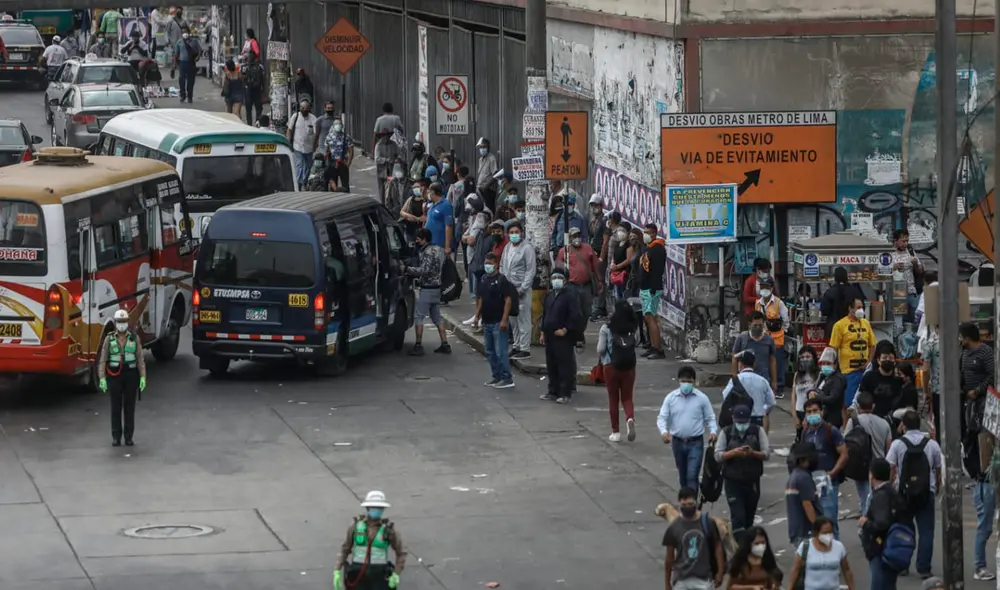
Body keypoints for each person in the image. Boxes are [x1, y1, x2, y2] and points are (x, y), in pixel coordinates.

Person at [886, 410, 941, 578]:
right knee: (926, 531)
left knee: (904, 530)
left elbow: (891, 468)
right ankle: (924, 568)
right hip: (926, 492)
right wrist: (937, 486)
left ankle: (903, 565)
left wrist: (891, 487)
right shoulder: (931, 444)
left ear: (903, 425)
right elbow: (938, 468)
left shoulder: (897, 444)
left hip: (903, 493)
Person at [657, 366, 719, 491]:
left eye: (689, 381)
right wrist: (664, 432)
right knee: (683, 476)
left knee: (692, 475)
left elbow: (710, 417)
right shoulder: (671, 398)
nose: (686, 384)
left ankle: (692, 501)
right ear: (679, 381)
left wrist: (713, 431)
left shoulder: (701, 398)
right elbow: (662, 417)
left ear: (694, 381)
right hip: (677, 442)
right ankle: (686, 499)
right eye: (683, 381)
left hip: (695, 443)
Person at [715, 405, 770, 542]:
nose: (742, 425)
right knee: (738, 516)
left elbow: (766, 454)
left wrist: (753, 453)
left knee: (749, 518)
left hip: (752, 481)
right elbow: (718, 455)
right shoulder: (726, 432)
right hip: (732, 482)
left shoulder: (758, 431)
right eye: (739, 422)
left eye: (744, 422)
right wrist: (733, 453)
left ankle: (747, 544)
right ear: (733, 419)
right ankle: (739, 546)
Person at [333, 491, 407, 590]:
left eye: (379, 508)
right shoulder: (355, 526)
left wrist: (396, 573)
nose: (377, 510)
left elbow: (402, 552)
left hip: (379, 576)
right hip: (358, 575)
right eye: (374, 507)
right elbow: (345, 549)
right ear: (368, 508)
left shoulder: (389, 530)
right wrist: (337, 570)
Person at [96, 309, 147, 447]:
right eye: (119, 322)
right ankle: (116, 437)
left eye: (124, 321)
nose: (122, 324)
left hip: (131, 375)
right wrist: (102, 377)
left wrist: (143, 377)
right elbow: (103, 359)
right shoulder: (109, 339)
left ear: (127, 322)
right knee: (115, 407)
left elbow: (140, 359)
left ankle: (129, 437)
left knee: (129, 407)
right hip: (114, 375)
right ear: (116, 323)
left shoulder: (134, 338)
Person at [801, 398, 849, 539]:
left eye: (815, 410)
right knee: (813, 522)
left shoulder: (831, 431)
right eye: (809, 412)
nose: (812, 414)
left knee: (829, 520)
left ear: (821, 412)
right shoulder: (806, 432)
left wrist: (832, 474)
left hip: (828, 484)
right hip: (811, 484)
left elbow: (844, 454)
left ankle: (835, 549)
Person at [662, 487, 725, 590]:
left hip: (704, 579)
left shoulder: (708, 523)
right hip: (681, 579)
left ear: (696, 502)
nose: (687, 507)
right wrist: (667, 583)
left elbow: (718, 547)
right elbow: (669, 558)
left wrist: (720, 572)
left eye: (690, 504)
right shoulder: (673, 527)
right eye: (684, 505)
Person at [842, 392, 892, 514]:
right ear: (873, 406)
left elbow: (845, 442)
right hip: (879, 466)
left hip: (861, 467)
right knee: (879, 498)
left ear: (858, 406)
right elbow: (889, 448)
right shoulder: (884, 423)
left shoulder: (853, 422)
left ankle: (866, 520)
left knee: (864, 499)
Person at [859, 458, 905, 590]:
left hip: (880, 549)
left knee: (879, 584)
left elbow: (881, 524)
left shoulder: (880, 496)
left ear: (872, 475)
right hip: (891, 548)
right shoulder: (891, 492)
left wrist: (865, 523)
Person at [403, 229, 451, 356]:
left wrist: (407, 269)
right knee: (437, 317)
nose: (416, 241)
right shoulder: (439, 249)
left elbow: (424, 270)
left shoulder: (427, 252)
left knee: (419, 316)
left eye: (418, 239)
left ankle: (418, 345)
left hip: (427, 288)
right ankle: (445, 344)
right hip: (437, 288)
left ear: (424, 238)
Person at [472, 252, 516, 389]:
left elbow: (508, 300)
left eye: (490, 264)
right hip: (487, 321)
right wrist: (477, 316)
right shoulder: (484, 279)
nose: (487, 266)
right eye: (486, 263)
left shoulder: (502, 280)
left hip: (498, 321)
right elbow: (481, 299)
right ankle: (496, 376)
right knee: (490, 351)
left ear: (496, 265)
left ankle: (507, 378)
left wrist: (504, 320)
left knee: (501, 351)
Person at [539, 268, 582, 404]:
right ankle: (553, 391)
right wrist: (542, 332)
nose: (556, 280)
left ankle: (565, 393)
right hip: (550, 335)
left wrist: (565, 329)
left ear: (564, 281)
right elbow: (545, 315)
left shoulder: (570, 296)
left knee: (564, 365)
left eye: (559, 278)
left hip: (563, 336)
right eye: (554, 278)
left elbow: (575, 316)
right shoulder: (549, 296)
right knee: (551, 365)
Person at [597, 300, 638, 442]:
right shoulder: (633, 328)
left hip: (610, 366)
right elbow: (636, 342)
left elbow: (601, 349)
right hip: (629, 366)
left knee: (613, 398)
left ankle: (615, 432)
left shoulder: (606, 328)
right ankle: (630, 418)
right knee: (627, 397)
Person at [828, 298, 875, 409]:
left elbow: (872, 345)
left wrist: (868, 362)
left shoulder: (866, 323)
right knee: (848, 403)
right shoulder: (839, 325)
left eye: (862, 307)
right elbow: (833, 348)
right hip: (848, 372)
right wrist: (834, 367)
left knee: (865, 403)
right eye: (858, 307)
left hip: (865, 371)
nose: (861, 310)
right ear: (850, 308)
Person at [787, 516, 855, 590]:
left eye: (830, 532)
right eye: (824, 533)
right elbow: (796, 569)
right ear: (816, 533)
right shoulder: (805, 546)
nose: (828, 535)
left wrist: (851, 587)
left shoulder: (839, 547)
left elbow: (846, 569)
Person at [500, 222, 536, 360]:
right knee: (513, 320)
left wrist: (523, 288)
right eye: (511, 232)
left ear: (521, 233)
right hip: (509, 289)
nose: (514, 235)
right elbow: (502, 266)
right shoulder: (507, 247)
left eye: (516, 232)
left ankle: (525, 348)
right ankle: (516, 346)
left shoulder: (527, 248)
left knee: (523, 319)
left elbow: (530, 270)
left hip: (521, 289)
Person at [555, 226, 601, 324]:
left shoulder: (588, 248)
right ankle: (574, 329)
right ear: (570, 238)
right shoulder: (564, 251)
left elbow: (595, 265)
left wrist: (600, 280)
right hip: (571, 286)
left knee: (586, 310)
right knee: (573, 310)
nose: (577, 238)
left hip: (586, 286)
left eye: (578, 235)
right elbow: (558, 267)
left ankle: (581, 328)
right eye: (574, 236)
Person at [723, 350, 775, 431]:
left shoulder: (735, 380)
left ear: (740, 365)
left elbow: (725, 396)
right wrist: (762, 410)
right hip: (757, 419)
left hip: (740, 418)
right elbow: (771, 402)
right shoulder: (762, 381)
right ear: (754, 364)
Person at [754, 277, 789, 397]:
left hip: (776, 339)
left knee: (778, 364)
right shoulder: (758, 303)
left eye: (766, 287)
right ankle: (766, 387)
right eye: (762, 287)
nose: (764, 290)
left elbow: (786, 320)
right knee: (763, 363)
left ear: (772, 288)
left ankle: (779, 387)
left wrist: (782, 331)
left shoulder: (779, 303)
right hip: (763, 338)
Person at [637, 223, 666, 359]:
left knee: (650, 317)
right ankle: (652, 344)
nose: (645, 235)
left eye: (648, 232)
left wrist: (653, 288)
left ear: (654, 234)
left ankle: (657, 349)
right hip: (645, 288)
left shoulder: (658, 249)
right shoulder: (648, 248)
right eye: (645, 232)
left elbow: (657, 271)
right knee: (647, 318)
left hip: (651, 289)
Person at [785, 441, 820, 548]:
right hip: (806, 533)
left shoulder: (794, 476)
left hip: (797, 532)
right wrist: (818, 528)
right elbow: (807, 505)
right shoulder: (803, 478)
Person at [858, 341, 902, 421]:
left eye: (890, 358)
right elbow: (861, 397)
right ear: (878, 360)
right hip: (872, 419)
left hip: (894, 419)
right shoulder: (869, 377)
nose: (887, 360)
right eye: (884, 358)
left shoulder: (899, 378)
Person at [732, 311, 777, 389]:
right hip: (745, 381)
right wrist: (735, 379)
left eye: (760, 325)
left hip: (763, 380)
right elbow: (734, 358)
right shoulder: (742, 338)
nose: (758, 327)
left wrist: (774, 381)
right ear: (750, 325)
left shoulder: (769, 340)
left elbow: (772, 361)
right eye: (755, 325)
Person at [820, 266, 864, 337]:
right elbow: (861, 308)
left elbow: (824, 311)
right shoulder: (855, 291)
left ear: (835, 278)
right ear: (846, 277)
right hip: (852, 328)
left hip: (834, 328)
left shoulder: (830, 292)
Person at [891, 229, 923, 323]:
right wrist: (894, 267)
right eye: (903, 241)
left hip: (911, 291)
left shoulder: (910, 252)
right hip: (897, 292)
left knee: (915, 317)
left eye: (907, 241)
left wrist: (916, 264)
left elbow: (920, 271)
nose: (905, 244)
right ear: (896, 241)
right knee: (899, 319)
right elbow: (882, 273)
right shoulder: (890, 254)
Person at [287, 100, 319, 188]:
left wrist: (315, 145)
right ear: (300, 108)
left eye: (306, 108)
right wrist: (288, 142)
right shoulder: (295, 116)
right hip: (297, 146)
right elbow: (289, 130)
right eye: (302, 108)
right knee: (299, 165)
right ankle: (299, 183)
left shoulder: (313, 118)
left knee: (308, 166)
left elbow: (316, 133)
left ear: (309, 109)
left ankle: (305, 181)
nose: (304, 110)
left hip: (309, 147)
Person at [811, 348, 846, 429]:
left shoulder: (838, 379)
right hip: (822, 417)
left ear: (835, 364)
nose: (825, 366)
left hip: (832, 419)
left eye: (828, 363)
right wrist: (811, 393)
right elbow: (816, 388)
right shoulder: (823, 376)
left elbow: (832, 398)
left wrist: (818, 397)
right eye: (823, 363)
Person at [792, 346, 820, 441]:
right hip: (799, 411)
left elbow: (815, 397)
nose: (805, 359)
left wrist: (807, 416)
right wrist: (794, 416)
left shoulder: (818, 375)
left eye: (808, 357)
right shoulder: (797, 375)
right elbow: (793, 396)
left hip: (812, 412)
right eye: (802, 357)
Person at [171, 28, 201, 104]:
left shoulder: (194, 41)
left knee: (191, 81)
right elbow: (176, 54)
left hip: (191, 63)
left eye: (186, 32)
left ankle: (190, 96)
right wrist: (174, 65)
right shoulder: (179, 42)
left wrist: (197, 57)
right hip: (182, 63)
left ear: (189, 33)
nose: (185, 34)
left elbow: (199, 50)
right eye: (183, 32)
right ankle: (182, 95)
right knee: (182, 80)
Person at [324, 117, 354, 191]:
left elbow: (351, 151)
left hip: (343, 163)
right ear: (333, 126)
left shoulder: (346, 137)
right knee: (333, 186)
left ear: (342, 125)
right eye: (336, 124)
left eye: (339, 124)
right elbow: (326, 151)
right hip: (332, 164)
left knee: (345, 185)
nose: (338, 125)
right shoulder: (329, 137)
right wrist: (326, 165)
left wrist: (348, 163)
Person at [423, 183, 453, 253]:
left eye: (429, 192)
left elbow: (448, 226)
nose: (428, 194)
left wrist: (447, 247)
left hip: (439, 244)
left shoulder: (446, 205)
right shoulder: (433, 205)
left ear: (433, 192)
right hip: (429, 244)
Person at [475, 137, 499, 211]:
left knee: (489, 210)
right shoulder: (480, 159)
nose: (482, 149)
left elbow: (495, 175)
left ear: (488, 148)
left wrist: (486, 186)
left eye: (484, 147)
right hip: (480, 189)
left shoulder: (491, 159)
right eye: (481, 147)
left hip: (488, 189)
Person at [242, 53, 266, 126]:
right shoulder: (260, 66)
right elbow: (263, 79)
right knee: (258, 109)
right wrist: (263, 90)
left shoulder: (244, 67)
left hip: (248, 91)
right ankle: (257, 124)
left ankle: (249, 125)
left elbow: (242, 79)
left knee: (248, 110)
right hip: (257, 91)